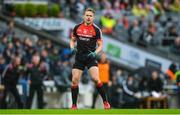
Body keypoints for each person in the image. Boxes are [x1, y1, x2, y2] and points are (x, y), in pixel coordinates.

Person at [70, 8, 110, 109]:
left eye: (90, 16)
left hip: (90, 57)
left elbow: (101, 45)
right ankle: (74, 105)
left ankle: (105, 102)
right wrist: (71, 47)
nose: (88, 17)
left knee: (96, 79)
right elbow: (72, 40)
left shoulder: (96, 30)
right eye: (87, 15)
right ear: (83, 16)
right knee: (74, 80)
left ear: (93, 18)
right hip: (79, 57)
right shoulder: (77, 27)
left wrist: (95, 53)